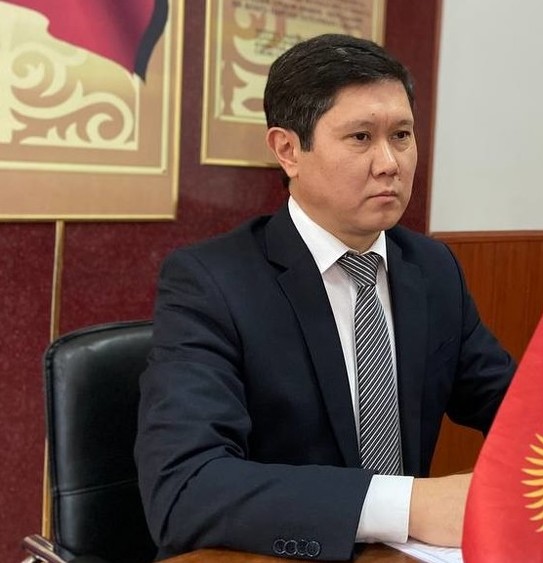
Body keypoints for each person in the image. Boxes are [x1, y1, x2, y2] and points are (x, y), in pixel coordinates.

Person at [135, 33, 515, 561]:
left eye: (402, 135)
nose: (390, 163)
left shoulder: (432, 269)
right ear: (288, 150)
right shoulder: (211, 283)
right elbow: (186, 490)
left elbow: (515, 408)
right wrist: (409, 506)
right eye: (361, 137)